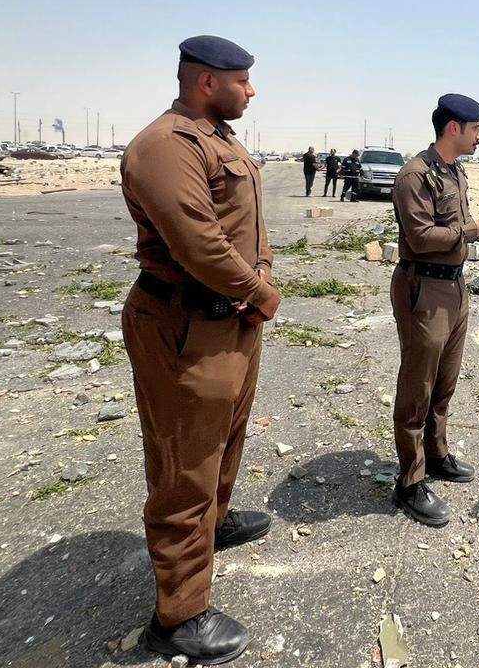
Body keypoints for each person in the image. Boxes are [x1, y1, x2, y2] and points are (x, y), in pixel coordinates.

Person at [120, 35, 283, 665]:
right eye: (243, 80)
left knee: (223, 438)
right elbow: (199, 244)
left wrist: (253, 293)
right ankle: (179, 615)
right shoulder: (164, 146)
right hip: (185, 327)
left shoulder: (218, 138)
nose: (252, 90)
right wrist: (259, 291)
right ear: (206, 82)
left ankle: (214, 524)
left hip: (229, 322)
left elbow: (242, 229)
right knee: (184, 461)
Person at [391, 94, 479, 526]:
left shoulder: (454, 173)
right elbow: (422, 236)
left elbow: (455, 231)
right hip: (422, 287)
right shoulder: (416, 175)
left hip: (454, 287)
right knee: (418, 385)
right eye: (475, 128)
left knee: (445, 381)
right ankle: (409, 482)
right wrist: (474, 228)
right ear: (453, 128)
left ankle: (437, 454)